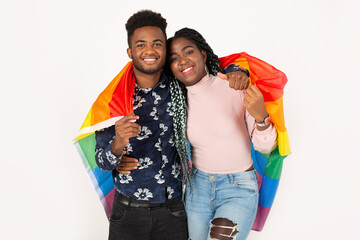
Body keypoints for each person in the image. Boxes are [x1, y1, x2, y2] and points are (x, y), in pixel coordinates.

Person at [94, 10, 249, 240]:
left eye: (157, 44)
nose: (149, 51)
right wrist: (117, 145)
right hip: (128, 211)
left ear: (165, 51)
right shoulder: (115, 98)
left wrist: (238, 71)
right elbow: (102, 160)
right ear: (130, 52)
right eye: (140, 45)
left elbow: (215, 66)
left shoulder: (180, 84)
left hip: (173, 211)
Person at [165, 28, 278, 240]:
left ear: (203, 54)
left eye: (188, 52)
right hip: (196, 188)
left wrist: (262, 117)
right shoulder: (176, 101)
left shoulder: (234, 84)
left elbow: (266, 147)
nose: (182, 60)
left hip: (238, 189)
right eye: (174, 58)